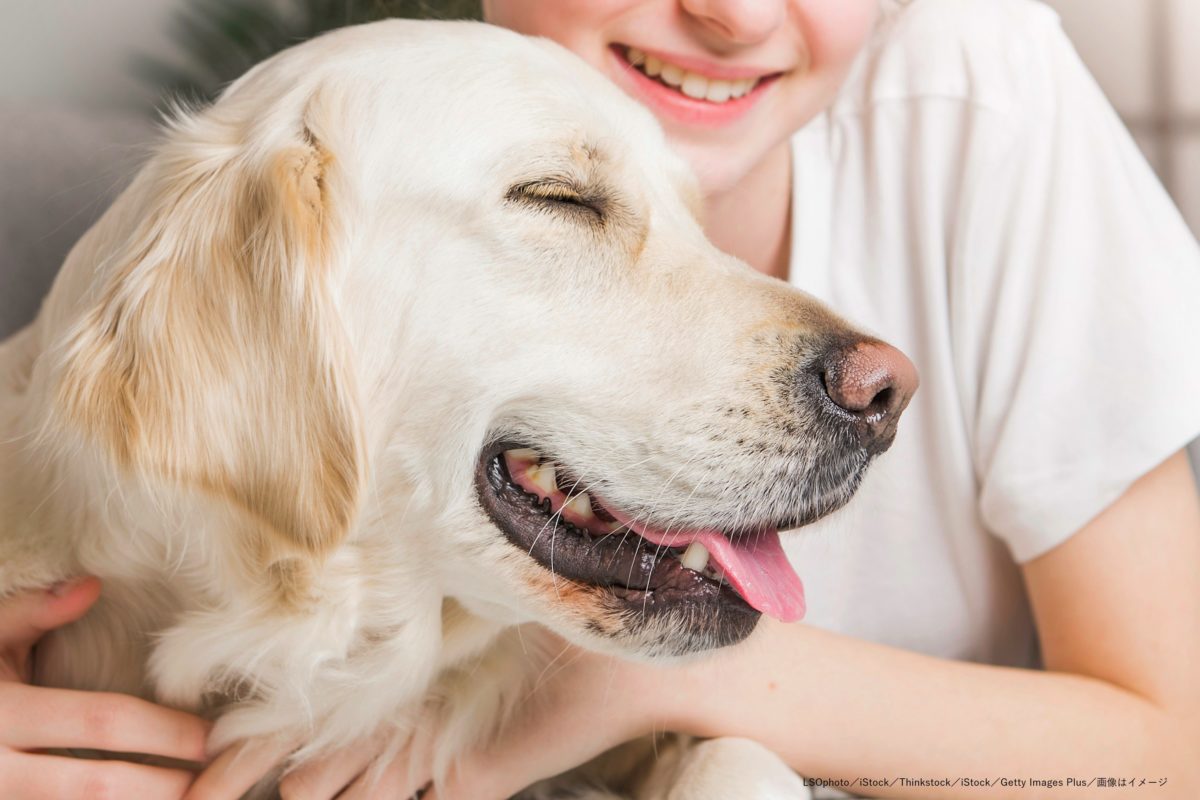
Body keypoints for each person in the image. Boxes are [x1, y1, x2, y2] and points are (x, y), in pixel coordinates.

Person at [3, 1, 1199, 798]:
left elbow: (1171, 742)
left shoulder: (973, 96)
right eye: (568, 206)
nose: (732, 11)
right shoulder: (364, 161)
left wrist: (682, 686)